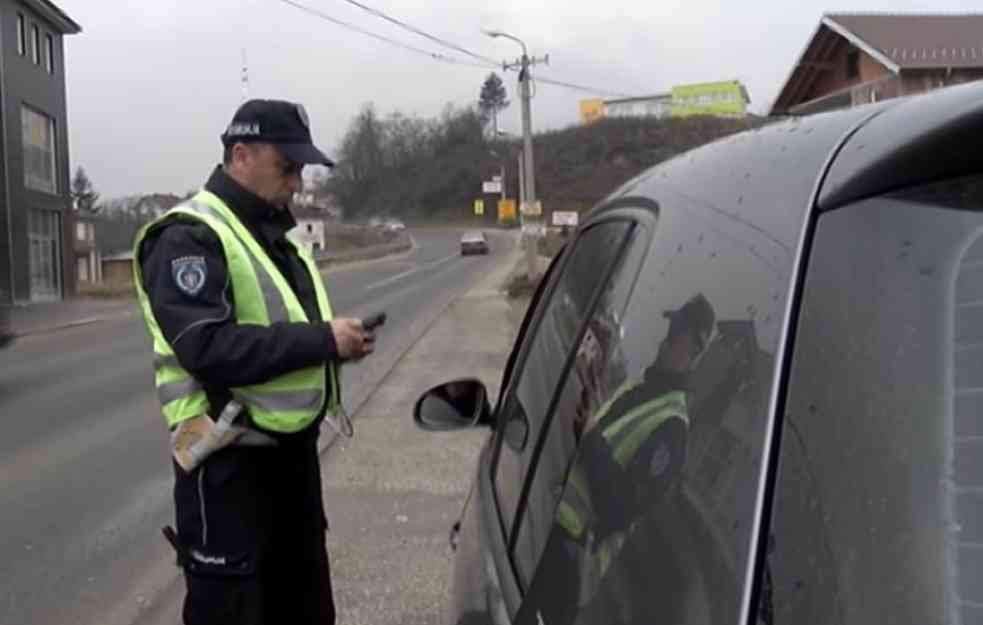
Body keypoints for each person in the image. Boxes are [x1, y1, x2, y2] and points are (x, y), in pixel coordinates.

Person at [133, 99, 374, 625]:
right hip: (227, 471)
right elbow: (207, 348)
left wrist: (338, 343)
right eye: (288, 167)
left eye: (303, 170)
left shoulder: (273, 236)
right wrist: (323, 343)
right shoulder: (188, 236)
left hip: (290, 466)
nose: (298, 183)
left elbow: (281, 328)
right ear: (240, 155)